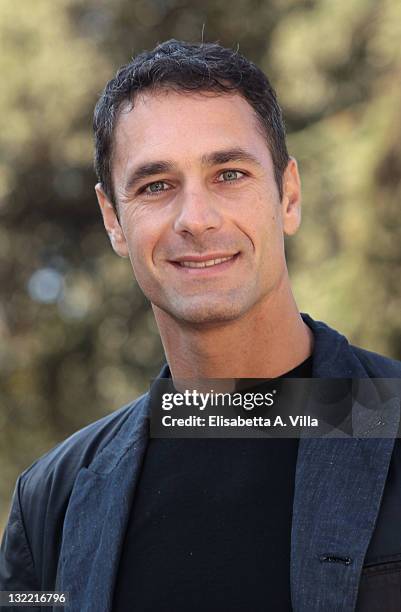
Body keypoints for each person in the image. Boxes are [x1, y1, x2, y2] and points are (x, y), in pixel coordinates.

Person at [1, 39, 401, 612]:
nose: (196, 219)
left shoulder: (387, 417)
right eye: (156, 186)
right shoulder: (52, 501)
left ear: (288, 195)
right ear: (114, 221)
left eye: (229, 174)